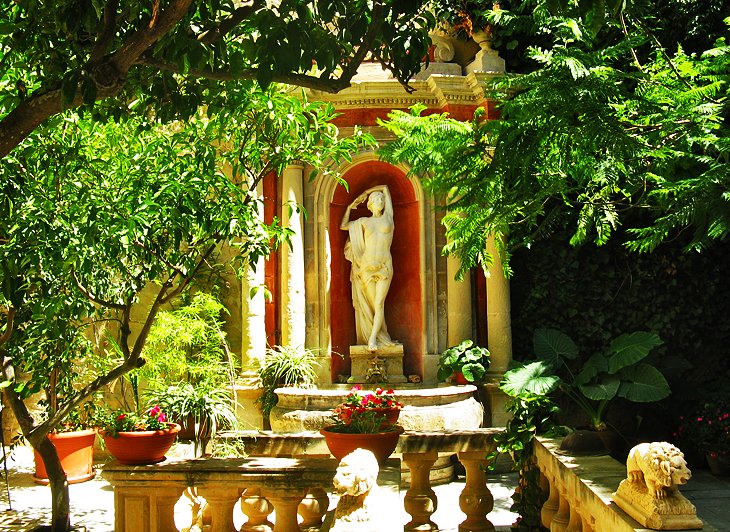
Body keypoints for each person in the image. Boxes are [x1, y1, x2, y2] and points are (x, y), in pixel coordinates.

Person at [340, 185, 397, 351]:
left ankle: (372, 339)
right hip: (367, 266)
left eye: (381, 199)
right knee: (372, 306)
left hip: (384, 266)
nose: (380, 201)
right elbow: (343, 225)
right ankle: (381, 336)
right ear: (370, 204)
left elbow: (386, 188)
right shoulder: (364, 222)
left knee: (379, 303)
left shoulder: (388, 218)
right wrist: (350, 207)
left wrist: (365, 191)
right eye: (376, 199)